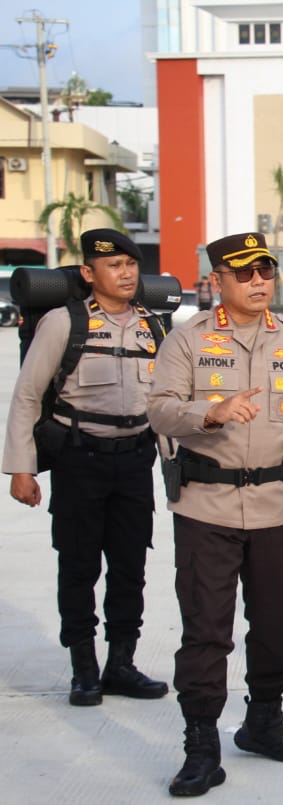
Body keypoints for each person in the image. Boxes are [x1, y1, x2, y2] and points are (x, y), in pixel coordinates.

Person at [148, 233, 283, 797]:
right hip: (206, 509)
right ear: (219, 281)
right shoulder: (186, 342)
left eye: (265, 272)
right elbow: (159, 410)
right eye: (246, 274)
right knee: (207, 630)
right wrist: (212, 412)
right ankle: (201, 743)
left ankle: (264, 721)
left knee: (278, 622)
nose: (259, 283)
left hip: (278, 507)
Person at [2, 229, 169, 708]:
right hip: (80, 458)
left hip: (136, 458)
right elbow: (28, 396)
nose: (125, 273)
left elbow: (167, 402)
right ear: (88, 274)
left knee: (129, 566)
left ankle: (121, 664)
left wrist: (179, 471)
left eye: (131, 264)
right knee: (78, 566)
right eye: (113, 265)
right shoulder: (63, 322)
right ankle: (84, 669)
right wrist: (21, 468)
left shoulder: (154, 327)